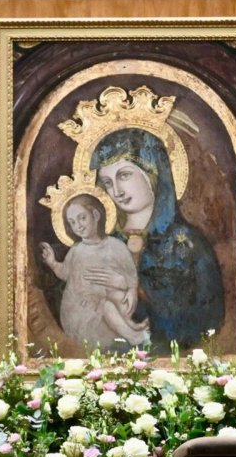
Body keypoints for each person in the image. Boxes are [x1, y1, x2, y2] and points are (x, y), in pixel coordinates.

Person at [90, 127, 225, 355]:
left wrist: (138, 289)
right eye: (107, 182)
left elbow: (207, 317)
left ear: (152, 174)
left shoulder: (187, 244)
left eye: (124, 175)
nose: (117, 191)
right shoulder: (103, 243)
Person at [40, 194, 150, 348]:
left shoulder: (116, 246)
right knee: (106, 305)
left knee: (118, 297)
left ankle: (131, 326)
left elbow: (131, 275)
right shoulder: (76, 251)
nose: (78, 226)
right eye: (72, 222)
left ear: (96, 215)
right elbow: (65, 273)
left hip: (110, 304)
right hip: (80, 310)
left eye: (82, 218)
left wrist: (131, 290)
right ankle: (133, 336)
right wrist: (52, 262)